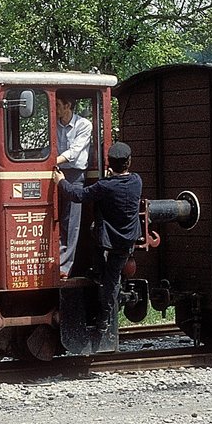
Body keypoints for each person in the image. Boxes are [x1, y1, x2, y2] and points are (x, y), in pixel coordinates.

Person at [53, 141, 142, 329]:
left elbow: (78, 195)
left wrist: (61, 181)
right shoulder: (136, 181)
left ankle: (103, 318)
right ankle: (103, 315)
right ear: (129, 162)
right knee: (113, 276)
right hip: (127, 239)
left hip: (108, 239)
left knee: (109, 278)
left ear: (109, 164)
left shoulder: (105, 186)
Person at [54, 94, 92, 277]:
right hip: (57, 173)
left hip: (75, 176)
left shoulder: (84, 125)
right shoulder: (54, 125)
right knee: (57, 218)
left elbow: (75, 152)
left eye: (58, 104)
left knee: (71, 222)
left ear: (68, 105)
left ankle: (64, 267)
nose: (54, 108)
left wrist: (51, 161)